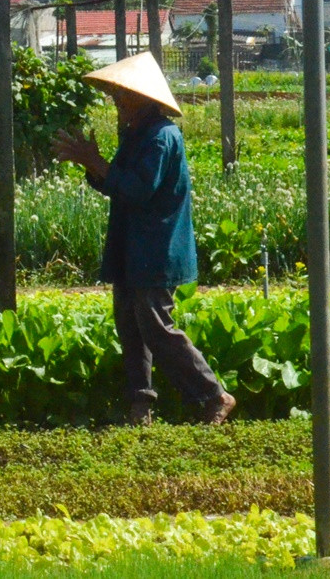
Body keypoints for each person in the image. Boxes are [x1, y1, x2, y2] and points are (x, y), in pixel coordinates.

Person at [52, 53, 235, 425]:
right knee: (130, 324)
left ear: (143, 98)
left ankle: (213, 395)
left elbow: (138, 191)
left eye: (123, 96)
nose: (117, 103)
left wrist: (96, 163)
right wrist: (94, 165)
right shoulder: (137, 135)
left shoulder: (160, 138)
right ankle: (141, 404)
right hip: (131, 246)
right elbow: (117, 185)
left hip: (156, 247)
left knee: (155, 325)